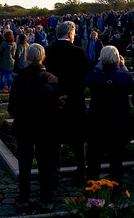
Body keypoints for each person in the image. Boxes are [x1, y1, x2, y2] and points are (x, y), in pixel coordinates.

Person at [8, 44, 59, 213]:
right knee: (46, 163)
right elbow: (58, 106)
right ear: (43, 58)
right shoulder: (52, 79)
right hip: (46, 128)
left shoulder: (19, 79)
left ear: (27, 58)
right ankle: (46, 200)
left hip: (25, 126)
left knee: (25, 163)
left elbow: (12, 108)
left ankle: (24, 198)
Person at [44, 21, 90, 184]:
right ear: (70, 34)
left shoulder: (47, 51)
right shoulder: (79, 52)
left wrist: (58, 94)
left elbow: (44, 77)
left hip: (53, 100)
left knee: (54, 138)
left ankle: (55, 172)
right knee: (78, 138)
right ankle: (81, 171)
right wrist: (69, 94)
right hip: (74, 100)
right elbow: (85, 77)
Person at [85, 46, 134, 188]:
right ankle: (116, 192)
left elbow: (87, 79)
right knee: (116, 162)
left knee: (94, 162)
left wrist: (100, 63)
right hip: (118, 124)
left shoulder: (95, 76)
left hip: (98, 125)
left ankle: (92, 193)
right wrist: (124, 67)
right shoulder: (125, 77)